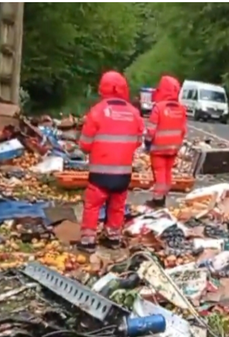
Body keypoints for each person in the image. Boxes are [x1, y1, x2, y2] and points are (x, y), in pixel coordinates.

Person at [78, 71, 145, 251]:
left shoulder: (97, 111)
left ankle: (88, 240)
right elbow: (138, 141)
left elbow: (85, 143)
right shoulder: (134, 113)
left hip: (100, 172)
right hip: (123, 172)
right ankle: (113, 237)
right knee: (117, 205)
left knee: (92, 205)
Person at [145, 75, 187, 208]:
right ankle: (163, 196)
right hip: (174, 147)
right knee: (168, 172)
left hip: (158, 148)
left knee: (159, 173)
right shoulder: (181, 109)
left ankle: (158, 199)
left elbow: (151, 129)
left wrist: (147, 143)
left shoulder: (159, 107)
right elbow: (183, 129)